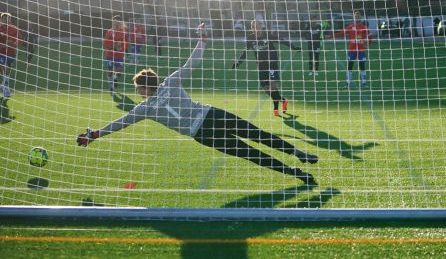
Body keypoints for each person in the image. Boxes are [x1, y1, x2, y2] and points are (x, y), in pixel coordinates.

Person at [77, 25, 318, 185]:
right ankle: (298, 154)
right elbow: (191, 64)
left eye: (138, 88)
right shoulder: (169, 82)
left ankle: (297, 173)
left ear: (144, 88)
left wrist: (96, 134)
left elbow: (121, 123)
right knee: (257, 134)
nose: (137, 92)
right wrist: (202, 41)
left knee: (250, 153)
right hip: (211, 114)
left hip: (201, 132)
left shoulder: (144, 108)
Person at [232, 20, 300, 116]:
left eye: (257, 26)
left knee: (273, 86)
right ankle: (283, 100)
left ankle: (276, 108)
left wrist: (293, 47)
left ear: (261, 26)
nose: (255, 28)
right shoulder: (250, 38)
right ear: (251, 28)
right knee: (266, 89)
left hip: (271, 63)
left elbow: (281, 40)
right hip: (261, 65)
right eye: (253, 26)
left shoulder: (268, 35)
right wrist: (238, 62)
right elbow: (245, 51)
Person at [325, 10, 372, 88]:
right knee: (350, 66)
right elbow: (341, 33)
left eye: (358, 16)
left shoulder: (364, 27)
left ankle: (364, 83)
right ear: (354, 18)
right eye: (356, 16)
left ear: (360, 18)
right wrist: (330, 36)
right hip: (352, 50)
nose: (357, 18)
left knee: (362, 66)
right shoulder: (350, 27)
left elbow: (370, 36)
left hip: (361, 50)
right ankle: (347, 83)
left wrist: (368, 45)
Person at [103, 15, 128, 93]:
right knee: (109, 71)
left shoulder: (123, 32)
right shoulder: (109, 31)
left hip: (119, 55)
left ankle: (115, 78)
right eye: (113, 22)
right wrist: (112, 47)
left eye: (116, 22)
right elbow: (105, 42)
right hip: (110, 55)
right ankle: (111, 87)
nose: (115, 23)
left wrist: (122, 49)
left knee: (119, 73)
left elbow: (125, 43)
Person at [0, 13, 20, 98]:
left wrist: (13, 43)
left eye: (7, 19)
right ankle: (6, 89)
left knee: (7, 71)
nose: (6, 20)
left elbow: (19, 40)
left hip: (11, 53)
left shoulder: (14, 29)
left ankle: (3, 85)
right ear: (1, 20)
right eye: (4, 19)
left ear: (10, 20)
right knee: (4, 68)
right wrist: (2, 46)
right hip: (1, 53)